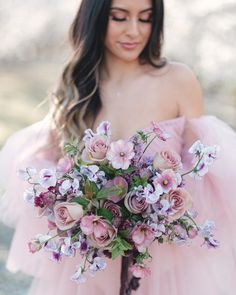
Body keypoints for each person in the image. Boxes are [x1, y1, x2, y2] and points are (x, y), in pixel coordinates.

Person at [1, 0, 236, 294]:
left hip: (167, 266)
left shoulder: (178, 80)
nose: (134, 31)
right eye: (120, 17)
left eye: (146, 18)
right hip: (93, 264)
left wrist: (155, 208)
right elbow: (46, 165)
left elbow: (208, 177)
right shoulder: (79, 86)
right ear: (96, 17)